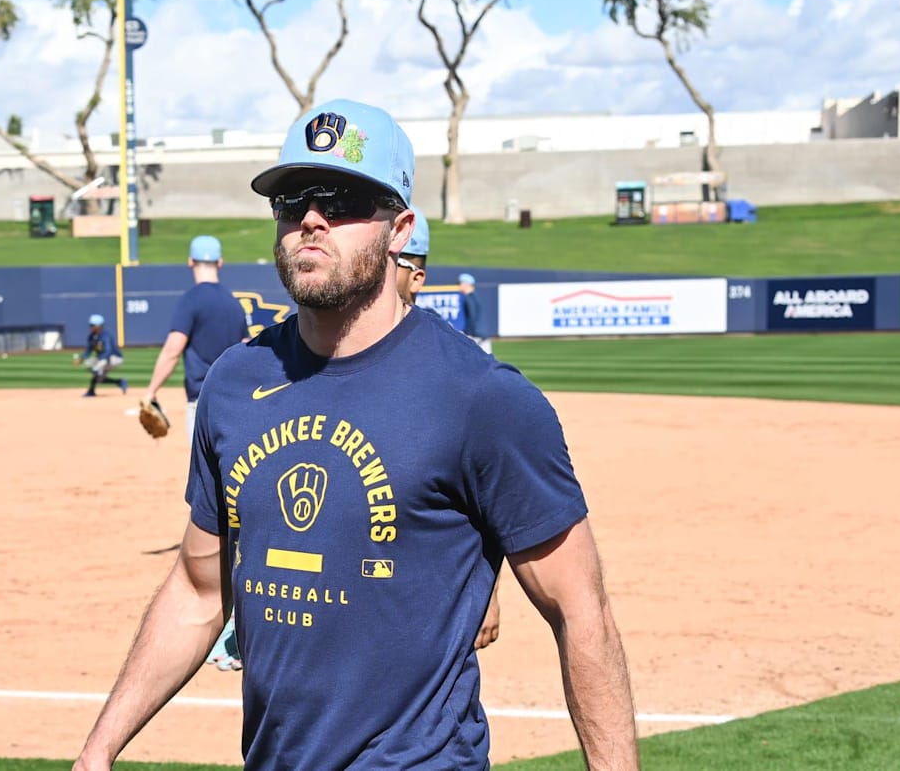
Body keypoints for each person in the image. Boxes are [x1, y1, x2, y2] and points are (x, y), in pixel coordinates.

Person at [73, 98, 638, 771]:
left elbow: (583, 612)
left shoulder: (482, 399)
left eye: (340, 200)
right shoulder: (235, 383)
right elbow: (199, 592)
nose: (310, 218)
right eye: (291, 202)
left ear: (399, 229)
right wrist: (99, 748)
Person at [393, 207, 503, 652]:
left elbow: (494, 497)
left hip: (430, 603)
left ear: (416, 277)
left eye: (393, 263)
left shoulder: (462, 373)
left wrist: (489, 589)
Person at [139, 233, 251, 671]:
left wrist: (149, 392)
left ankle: (224, 611)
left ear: (191, 262)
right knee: (235, 489)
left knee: (213, 501)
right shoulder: (231, 303)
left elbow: (173, 347)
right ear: (219, 263)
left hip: (201, 402)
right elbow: (245, 350)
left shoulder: (191, 300)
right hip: (238, 401)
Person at [76, 313, 126, 397]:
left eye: (92, 325)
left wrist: (98, 364)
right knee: (93, 369)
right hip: (103, 359)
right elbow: (88, 351)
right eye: (90, 325)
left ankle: (93, 385)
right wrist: (81, 358)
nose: (90, 327)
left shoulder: (105, 336)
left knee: (100, 363)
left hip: (115, 359)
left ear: (98, 326)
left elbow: (108, 351)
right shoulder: (91, 337)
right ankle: (119, 382)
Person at [458, 272, 491, 354]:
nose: (459, 286)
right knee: (487, 362)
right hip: (482, 334)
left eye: (460, 283)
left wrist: (468, 333)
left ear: (466, 284)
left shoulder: (469, 298)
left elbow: (472, 317)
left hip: (476, 335)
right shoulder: (476, 296)